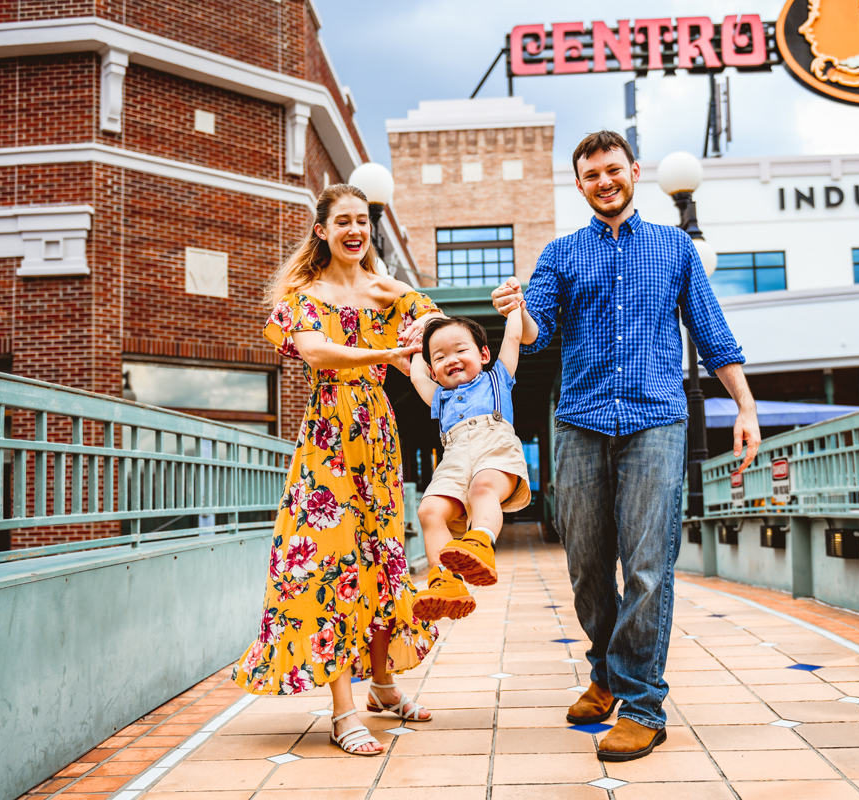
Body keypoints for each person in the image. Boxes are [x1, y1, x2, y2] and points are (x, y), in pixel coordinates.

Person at [492, 131, 761, 763]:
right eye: (592, 175)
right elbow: (536, 336)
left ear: (633, 172)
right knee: (586, 566)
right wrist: (516, 309)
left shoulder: (675, 248)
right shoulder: (560, 253)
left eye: (614, 170)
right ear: (580, 185)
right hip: (581, 424)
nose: (604, 181)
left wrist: (743, 407)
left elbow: (713, 333)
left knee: (645, 566)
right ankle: (606, 672)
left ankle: (642, 703)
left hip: (655, 425)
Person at [232, 184, 444, 757]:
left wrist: (400, 289)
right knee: (329, 566)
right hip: (328, 438)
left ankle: (382, 685)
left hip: (376, 435)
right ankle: (342, 712)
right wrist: (386, 356)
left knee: (381, 561)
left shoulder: (384, 292)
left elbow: (441, 332)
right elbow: (321, 353)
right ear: (321, 230)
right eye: (343, 221)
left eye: (363, 221)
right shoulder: (304, 294)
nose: (355, 230)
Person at [406, 312, 532, 621]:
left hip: (493, 445)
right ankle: (446, 581)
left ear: (483, 354)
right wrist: (411, 348)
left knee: (483, 488)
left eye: (460, 350)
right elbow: (415, 375)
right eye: (439, 356)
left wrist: (515, 308)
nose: (451, 359)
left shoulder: (498, 376)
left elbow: (514, 338)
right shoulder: (439, 397)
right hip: (455, 456)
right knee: (430, 511)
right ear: (433, 370)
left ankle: (481, 541)